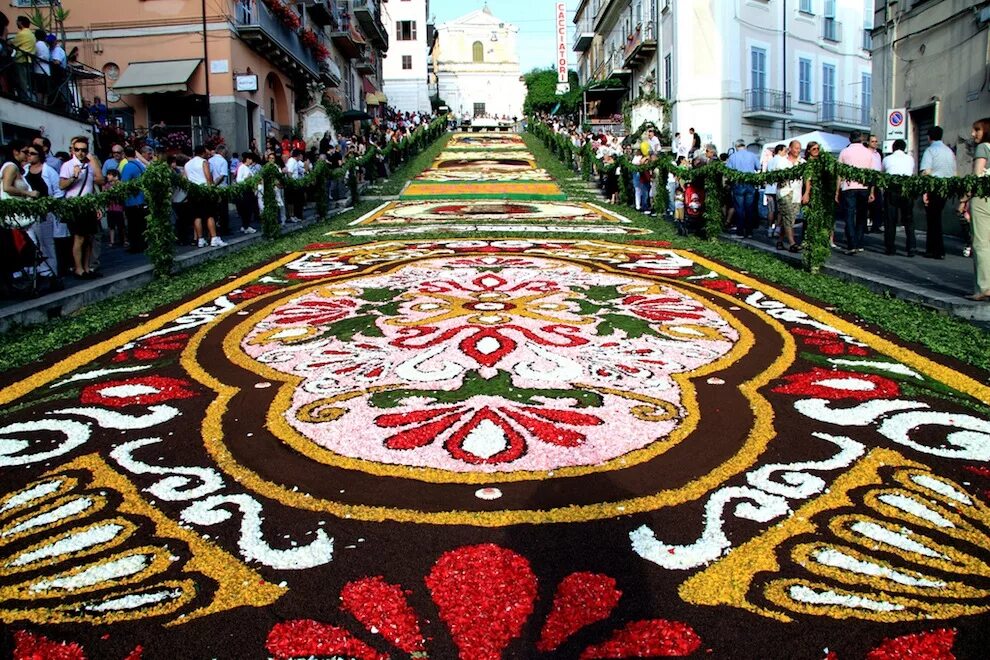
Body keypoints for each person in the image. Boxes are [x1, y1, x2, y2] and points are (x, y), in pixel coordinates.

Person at [59, 135, 105, 278]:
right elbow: (61, 185)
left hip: (88, 205)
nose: (81, 153)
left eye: (83, 150)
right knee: (79, 238)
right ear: (73, 150)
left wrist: (96, 206)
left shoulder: (89, 166)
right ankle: (78, 269)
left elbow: (92, 186)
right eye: (78, 150)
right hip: (75, 206)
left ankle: (86, 267)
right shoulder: (67, 165)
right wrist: (74, 176)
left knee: (89, 238)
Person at [958, 117, 990, 301]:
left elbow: (976, 177)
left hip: (982, 199)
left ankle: (983, 288)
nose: (973, 133)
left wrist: (963, 200)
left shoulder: (983, 147)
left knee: (980, 243)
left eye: (976, 130)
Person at [835, 131, 879, 255]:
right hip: (864, 187)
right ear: (861, 139)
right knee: (862, 215)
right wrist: (872, 191)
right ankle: (859, 243)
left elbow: (839, 173)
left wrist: (837, 191)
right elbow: (872, 174)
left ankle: (851, 244)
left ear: (849, 139)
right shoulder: (868, 152)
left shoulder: (845, 152)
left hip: (849, 187)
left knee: (849, 216)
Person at [920, 125, 957, 259]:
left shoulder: (930, 150)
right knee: (937, 218)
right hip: (946, 187)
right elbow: (953, 171)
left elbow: (925, 172)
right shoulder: (949, 151)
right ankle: (938, 249)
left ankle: (934, 250)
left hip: (934, 188)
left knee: (932, 220)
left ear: (929, 137)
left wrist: (925, 192)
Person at [184, 144, 226, 248]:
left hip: (193, 192)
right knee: (209, 215)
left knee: (197, 216)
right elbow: (208, 177)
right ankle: (214, 238)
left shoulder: (187, 164)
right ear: (203, 152)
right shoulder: (203, 162)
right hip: (204, 191)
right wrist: (211, 190)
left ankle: (200, 239)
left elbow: (185, 179)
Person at [882, 138, 916, 256]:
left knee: (890, 220)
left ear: (893, 148)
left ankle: (890, 247)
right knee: (908, 220)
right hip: (907, 190)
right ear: (904, 148)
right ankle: (911, 247)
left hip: (892, 189)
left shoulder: (887, 159)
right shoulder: (910, 159)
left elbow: (883, 173)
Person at [775, 140, 805, 252]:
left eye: (799, 148)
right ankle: (792, 244)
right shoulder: (782, 162)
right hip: (784, 192)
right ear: (790, 148)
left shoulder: (802, 163)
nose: (797, 150)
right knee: (788, 217)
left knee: (788, 219)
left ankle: (780, 241)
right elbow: (776, 177)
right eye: (796, 148)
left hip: (797, 194)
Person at [726, 139, 760, 237]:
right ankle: (749, 232)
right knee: (749, 208)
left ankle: (740, 232)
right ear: (744, 146)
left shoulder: (733, 156)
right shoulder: (752, 155)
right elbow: (758, 167)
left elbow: (728, 171)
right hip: (750, 183)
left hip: (738, 183)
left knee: (739, 208)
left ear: (736, 147)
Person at [119, 145, 147, 252]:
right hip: (142, 199)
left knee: (133, 226)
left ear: (125, 155)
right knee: (141, 225)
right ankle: (143, 244)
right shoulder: (140, 166)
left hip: (132, 201)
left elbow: (124, 184)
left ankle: (135, 246)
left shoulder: (128, 166)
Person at [234, 151, 259, 234]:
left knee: (249, 209)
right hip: (245, 191)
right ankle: (246, 226)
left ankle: (245, 225)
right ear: (247, 159)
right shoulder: (242, 167)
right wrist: (246, 179)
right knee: (246, 209)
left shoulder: (248, 168)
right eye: (250, 159)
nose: (251, 161)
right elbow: (238, 180)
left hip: (249, 190)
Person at [866, 134, 887, 233]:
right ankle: (864, 226)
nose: (875, 143)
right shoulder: (865, 152)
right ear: (868, 142)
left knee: (878, 204)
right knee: (866, 204)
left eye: (876, 141)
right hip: (867, 180)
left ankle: (876, 225)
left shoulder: (878, 154)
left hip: (877, 180)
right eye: (873, 141)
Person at [11, 16, 35, 101]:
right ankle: (27, 97)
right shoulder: (31, 34)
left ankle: (24, 98)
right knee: (26, 80)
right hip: (29, 60)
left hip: (21, 60)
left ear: (20, 22)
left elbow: (12, 44)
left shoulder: (22, 34)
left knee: (22, 81)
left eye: (17, 21)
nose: (16, 23)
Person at [208, 144, 230, 234]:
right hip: (222, 188)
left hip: (212, 187)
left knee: (214, 209)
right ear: (222, 152)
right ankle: (224, 228)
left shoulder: (209, 160)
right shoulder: (223, 161)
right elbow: (222, 175)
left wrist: (211, 185)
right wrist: (216, 184)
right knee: (223, 209)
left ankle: (215, 227)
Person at [103, 168, 126, 248]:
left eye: (109, 175)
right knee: (111, 226)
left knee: (121, 226)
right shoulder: (106, 186)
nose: (107, 176)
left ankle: (124, 240)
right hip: (110, 209)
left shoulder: (119, 184)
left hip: (119, 208)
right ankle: (112, 241)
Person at [32, 29, 50, 104]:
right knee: (45, 92)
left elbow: (35, 55)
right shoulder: (45, 45)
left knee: (39, 91)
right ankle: (45, 105)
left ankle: (39, 105)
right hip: (47, 71)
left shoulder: (37, 45)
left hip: (39, 70)